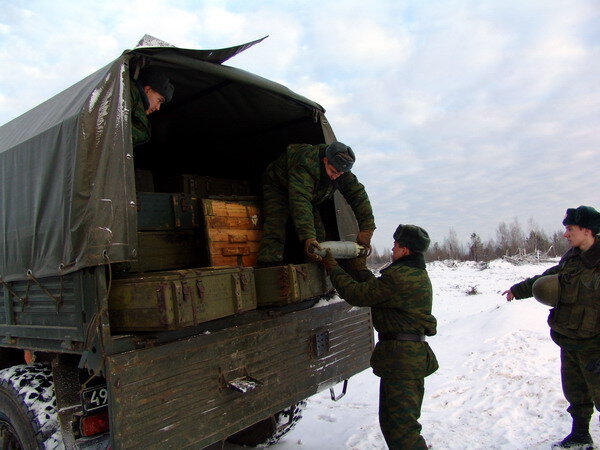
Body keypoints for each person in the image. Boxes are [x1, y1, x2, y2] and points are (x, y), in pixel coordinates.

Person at [321, 224, 438, 449]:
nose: (393, 249)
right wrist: (360, 269)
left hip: (402, 361)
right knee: (395, 425)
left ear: (406, 250)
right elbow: (377, 290)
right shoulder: (410, 273)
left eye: (396, 245)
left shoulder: (400, 277)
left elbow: (358, 294)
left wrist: (332, 266)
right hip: (403, 359)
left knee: (402, 430)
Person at [503, 205, 600, 450]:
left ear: (587, 231)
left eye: (570, 229)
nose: (566, 234)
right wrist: (519, 289)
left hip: (595, 345)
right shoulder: (573, 258)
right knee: (576, 394)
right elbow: (549, 276)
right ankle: (580, 436)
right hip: (570, 339)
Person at [257, 142, 375, 265]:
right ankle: (268, 267)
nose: (335, 177)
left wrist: (367, 230)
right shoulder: (306, 163)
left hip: (307, 193)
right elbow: (300, 202)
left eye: (340, 174)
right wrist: (308, 237)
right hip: (279, 187)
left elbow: (358, 196)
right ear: (325, 160)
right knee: (275, 226)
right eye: (333, 172)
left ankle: (313, 267)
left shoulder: (340, 170)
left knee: (318, 234)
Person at [130, 67, 174, 146]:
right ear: (147, 89)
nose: (158, 108)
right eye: (159, 100)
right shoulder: (130, 94)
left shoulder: (135, 102)